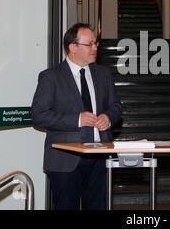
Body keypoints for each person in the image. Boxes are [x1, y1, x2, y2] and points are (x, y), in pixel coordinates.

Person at [31, 23, 122, 210]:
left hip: (101, 156)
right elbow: (39, 115)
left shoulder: (103, 74)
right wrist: (77, 120)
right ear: (73, 47)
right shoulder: (50, 77)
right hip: (65, 159)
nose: (95, 48)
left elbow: (116, 106)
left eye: (96, 43)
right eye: (90, 44)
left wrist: (108, 117)